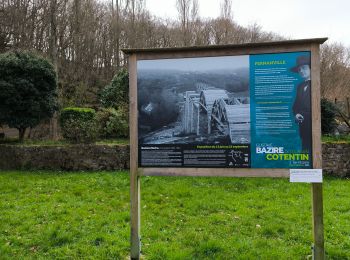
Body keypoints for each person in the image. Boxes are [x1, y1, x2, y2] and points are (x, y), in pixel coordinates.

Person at [291, 55, 311, 152]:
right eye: (299, 70)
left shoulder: (315, 84)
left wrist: (305, 115)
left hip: (312, 127)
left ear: (311, 68)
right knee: (305, 149)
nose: (301, 71)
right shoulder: (300, 86)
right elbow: (296, 105)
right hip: (302, 127)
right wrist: (297, 114)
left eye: (304, 68)